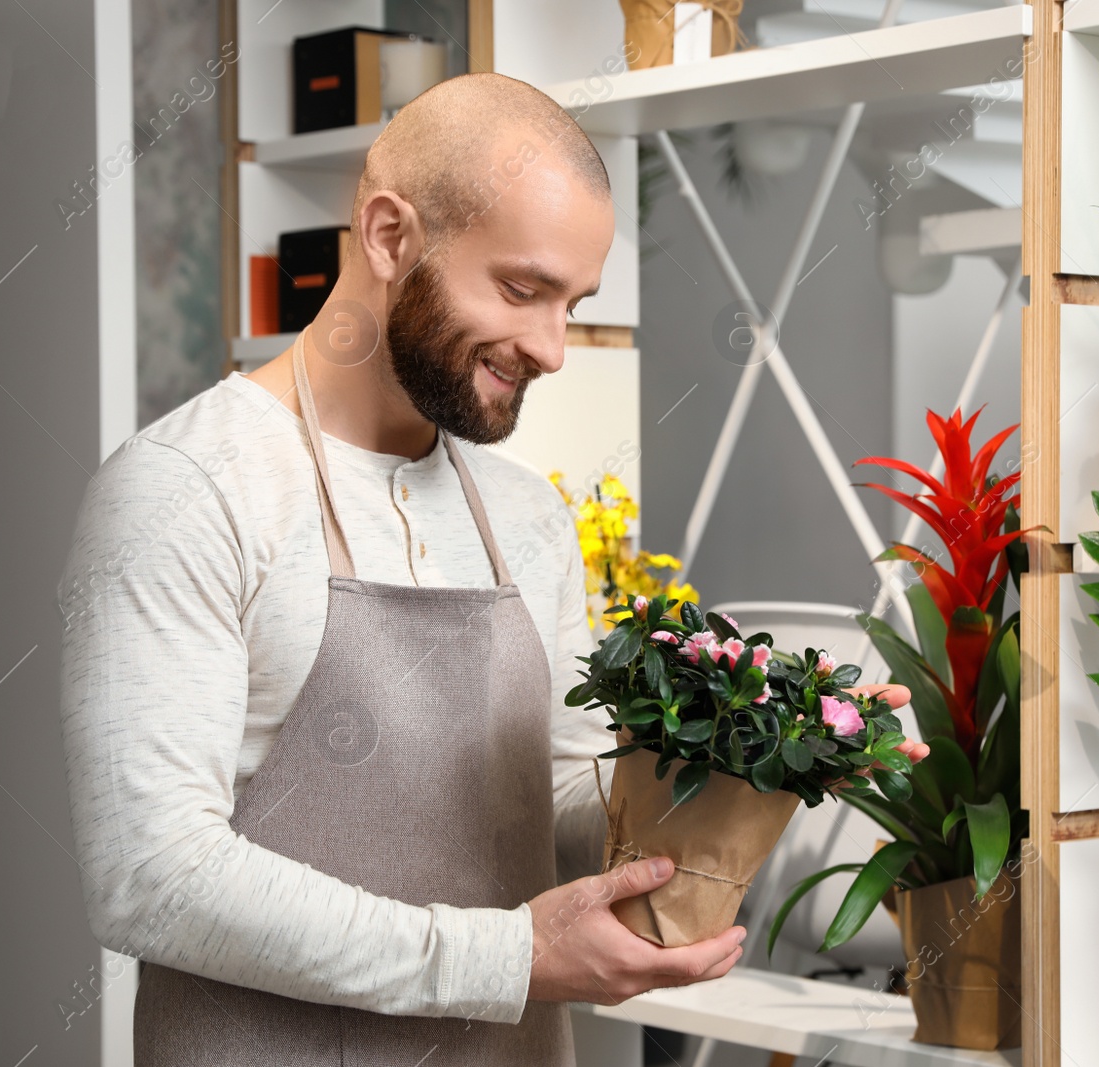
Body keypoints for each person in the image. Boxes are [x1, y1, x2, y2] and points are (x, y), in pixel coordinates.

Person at [55, 73, 753, 1065]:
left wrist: (748, 757)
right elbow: (152, 873)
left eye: (573, 302)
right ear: (388, 236)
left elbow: (549, 801)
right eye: (520, 289)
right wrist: (507, 955)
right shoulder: (189, 489)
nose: (553, 347)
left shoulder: (527, 516)